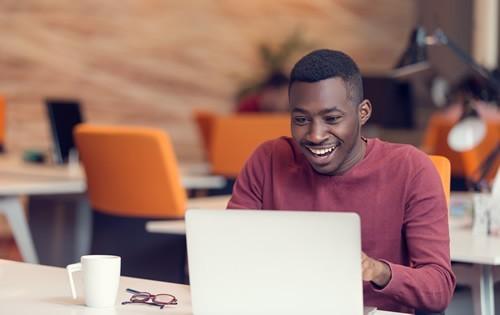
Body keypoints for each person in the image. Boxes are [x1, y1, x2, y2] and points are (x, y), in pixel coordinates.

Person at [228, 49, 455, 314]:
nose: (315, 135)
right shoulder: (268, 159)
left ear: (363, 112)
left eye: (332, 119)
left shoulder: (411, 168)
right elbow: (228, 251)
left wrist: (378, 271)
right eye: (301, 119)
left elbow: (439, 288)